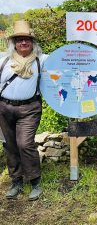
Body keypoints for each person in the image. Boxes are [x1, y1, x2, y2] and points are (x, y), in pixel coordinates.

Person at [0, 20, 48, 201]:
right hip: (4, 108)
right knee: (10, 145)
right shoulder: (4, 60)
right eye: (19, 40)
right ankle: (16, 182)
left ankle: (35, 182)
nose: (23, 43)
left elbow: (65, 59)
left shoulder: (41, 60)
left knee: (25, 144)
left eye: (26, 39)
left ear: (32, 42)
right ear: (14, 43)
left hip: (30, 108)